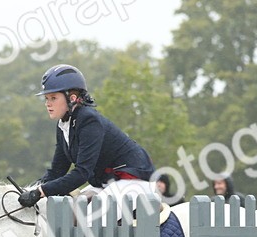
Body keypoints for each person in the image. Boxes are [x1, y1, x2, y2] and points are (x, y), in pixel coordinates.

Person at [18, 64, 156, 222]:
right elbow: (57, 172)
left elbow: (83, 173)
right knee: (69, 216)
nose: (47, 104)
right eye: (46, 98)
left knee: (88, 221)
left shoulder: (89, 120)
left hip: (132, 181)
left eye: (53, 98)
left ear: (72, 98)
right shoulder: (63, 125)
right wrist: (30, 189)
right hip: (106, 183)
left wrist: (40, 192)